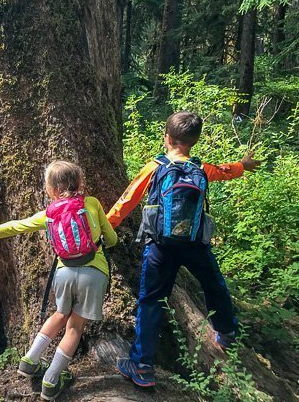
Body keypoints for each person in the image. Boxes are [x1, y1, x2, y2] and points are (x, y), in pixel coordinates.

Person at [108, 111, 261, 388]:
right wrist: (243, 165)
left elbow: (128, 199)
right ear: (195, 141)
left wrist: (105, 226)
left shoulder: (155, 167)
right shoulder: (200, 169)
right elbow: (224, 171)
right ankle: (227, 333)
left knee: (151, 300)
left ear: (167, 138)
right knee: (214, 284)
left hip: (160, 247)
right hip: (194, 244)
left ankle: (142, 365)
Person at [0, 161, 117, 401]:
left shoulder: (50, 214)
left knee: (60, 314)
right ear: (80, 183)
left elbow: (16, 227)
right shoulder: (91, 204)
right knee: (74, 327)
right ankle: (51, 381)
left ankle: (30, 360)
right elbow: (111, 238)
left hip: (63, 272)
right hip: (94, 272)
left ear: (51, 189)